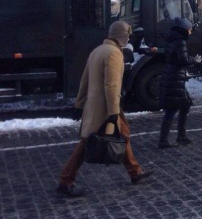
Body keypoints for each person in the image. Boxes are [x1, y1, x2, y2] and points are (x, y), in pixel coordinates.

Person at [57, 21, 154, 197]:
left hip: (97, 107)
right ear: (123, 36)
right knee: (87, 143)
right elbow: (112, 86)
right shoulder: (114, 54)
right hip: (107, 108)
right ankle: (66, 180)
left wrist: (79, 104)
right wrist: (113, 113)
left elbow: (84, 80)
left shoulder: (97, 51)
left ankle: (135, 171)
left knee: (123, 134)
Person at [158, 17, 202, 149]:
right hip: (174, 78)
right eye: (189, 30)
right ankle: (165, 140)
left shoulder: (171, 39)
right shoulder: (180, 41)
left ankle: (180, 136)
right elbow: (183, 60)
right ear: (184, 30)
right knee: (172, 109)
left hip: (172, 76)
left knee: (185, 104)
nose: (190, 32)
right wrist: (195, 60)